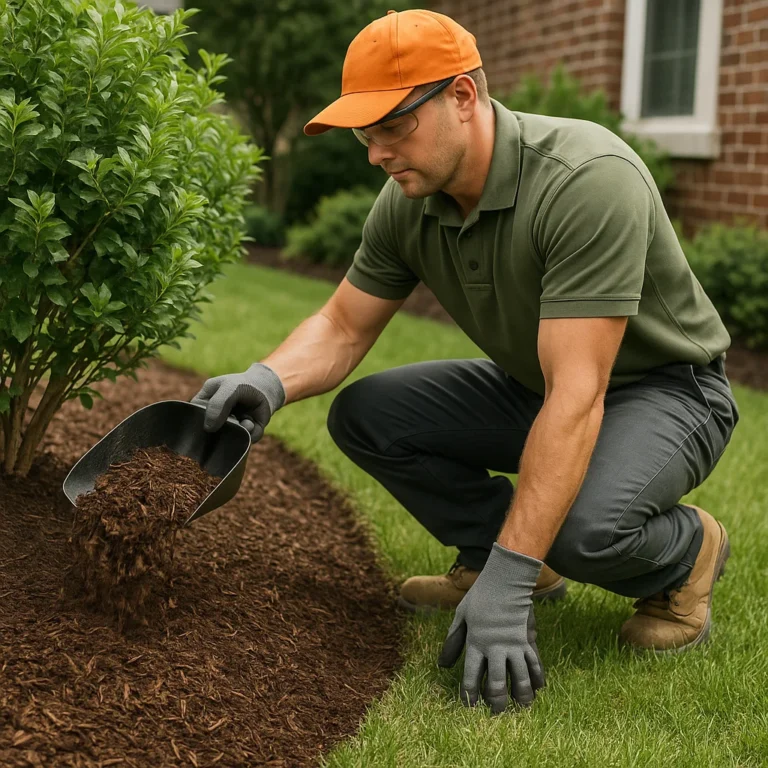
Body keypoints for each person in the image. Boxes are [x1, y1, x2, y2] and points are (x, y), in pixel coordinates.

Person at [191, 9, 740, 715]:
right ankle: (502, 556)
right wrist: (265, 381)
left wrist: (504, 591)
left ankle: (684, 553)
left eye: (393, 126)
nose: (377, 153)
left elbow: (578, 395)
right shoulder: (407, 202)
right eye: (366, 132)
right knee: (369, 415)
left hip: (667, 391)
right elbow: (340, 326)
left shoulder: (586, 178)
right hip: (537, 385)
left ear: (462, 96)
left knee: (585, 530)